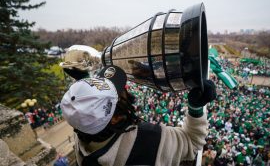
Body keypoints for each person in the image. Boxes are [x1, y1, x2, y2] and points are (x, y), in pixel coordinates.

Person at [60, 63, 216, 165]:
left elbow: (84, 114)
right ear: (116, 118)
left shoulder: (81, 134)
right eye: (119, 92)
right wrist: (195, 108)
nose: (125, 89)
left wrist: (86, 87)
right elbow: (192, 142)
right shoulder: (151, 139)